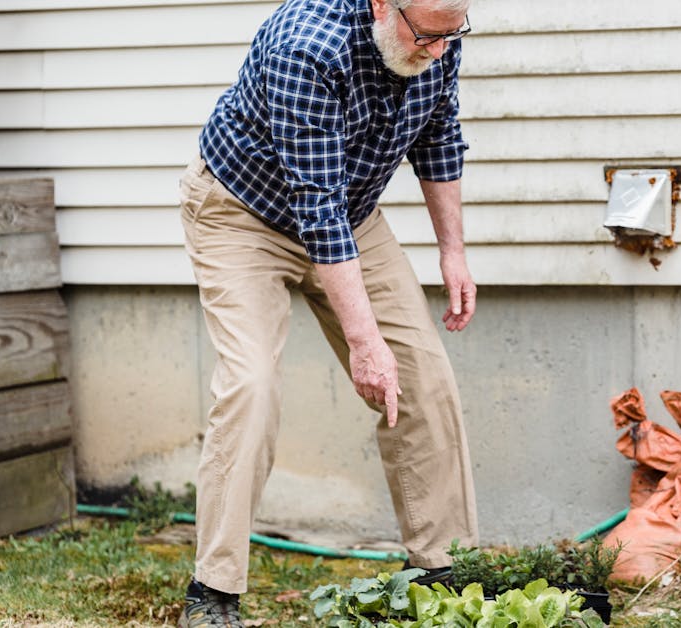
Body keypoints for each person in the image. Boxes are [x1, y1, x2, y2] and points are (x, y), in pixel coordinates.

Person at [176, 0, 477, 624]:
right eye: (427, 35)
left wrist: (453, 252)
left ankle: (442, 573)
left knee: (424, 379)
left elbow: (440, 132)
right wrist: (365, 344)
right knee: (251, 386)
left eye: (454, 34)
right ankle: (214, 591)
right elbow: (317, 209)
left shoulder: (436, 30)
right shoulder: (306, 45)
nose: (441, 51)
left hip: (354, 214)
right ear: (379, 5)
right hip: (244, 212)